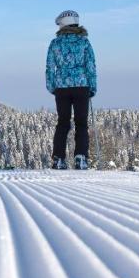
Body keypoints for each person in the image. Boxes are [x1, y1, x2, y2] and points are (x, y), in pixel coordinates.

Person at [45, 9, 97, 170]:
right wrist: (92, 87)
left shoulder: (55, 43)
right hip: (82, 86)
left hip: (61, 87)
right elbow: (91, 66)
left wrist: (52, 86)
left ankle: (58, 158)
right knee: (81, 123)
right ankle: (81, 157)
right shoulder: (84, 42)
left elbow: (49, 67)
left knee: (63, 123)